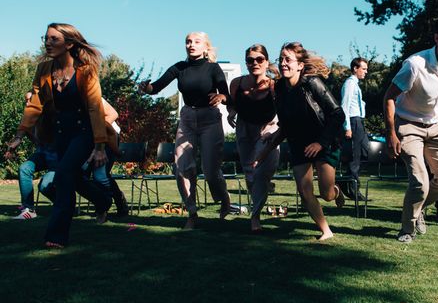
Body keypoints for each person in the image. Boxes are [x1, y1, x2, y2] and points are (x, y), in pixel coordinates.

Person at [5, 23, 117, 248]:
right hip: (60, 133)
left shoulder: (85, 70)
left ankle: (56, 235)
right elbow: (34, 104)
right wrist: (19, 134)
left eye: (54, 39)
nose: (48, 43)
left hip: (84, 131)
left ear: (69, 43)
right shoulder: (44, 69)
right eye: (45, 38)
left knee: (64, 174)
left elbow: (95, 108)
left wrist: (99, 146)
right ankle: (103, 200)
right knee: (73, 177)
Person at [383, 16, 438, 243]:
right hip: (408, 125)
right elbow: (389, 98)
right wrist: (391, 133)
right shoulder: (415, 65)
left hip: (437, 127)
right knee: (420, 182)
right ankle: (407, 230)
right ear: (437, 38)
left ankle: (417, 209)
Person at [139, 32, 231, 230]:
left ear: (206, 47)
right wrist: (146, 88)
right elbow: (156, 88)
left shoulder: (213, 68)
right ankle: (192, 212)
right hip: (188, 118)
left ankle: (224, 199)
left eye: (196, 42)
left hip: (209, 119)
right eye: (188, 42)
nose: (191, 45)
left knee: (210, 171)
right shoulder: (179, 68)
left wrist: (222, 97)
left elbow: (225, 92)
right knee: (182, 167)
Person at [254, 42, 345, 240]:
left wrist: (321, 143)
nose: (283, 64)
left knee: (326, 194)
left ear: (300, 65)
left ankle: (336, 192)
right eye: (281, 60)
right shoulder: (279, 89)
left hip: (324, 141)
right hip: (299, 144)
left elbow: (338, 114)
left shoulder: (312, 83)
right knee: (304, 191)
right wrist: (263, 154)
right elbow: (286, 126)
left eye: (288, 60)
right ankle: (326, 230)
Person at [227, 44, 280, 233]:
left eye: (259, 59)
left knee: (259, 172)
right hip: (244, 130)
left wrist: (275, 127)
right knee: (250, 175)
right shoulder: (237, 83)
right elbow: (232, 104)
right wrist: (231, 112)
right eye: (250, 60)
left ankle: (255, 217)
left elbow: (282, 109)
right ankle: (263, 187)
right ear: (246, 63)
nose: (254, 63)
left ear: (266, 62)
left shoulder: (274, 85)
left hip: (267, 128)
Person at [339, 57, 369, 201]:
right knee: (355, 157)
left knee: (365, 151)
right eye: (363, 69)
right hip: (353, 121)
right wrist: (347, 127)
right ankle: (352, 188)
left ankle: (346, 180)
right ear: (355, 69)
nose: (365, 72)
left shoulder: (356, 84)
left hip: (360, 121)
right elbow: (344, 106)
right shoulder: (350, 84)